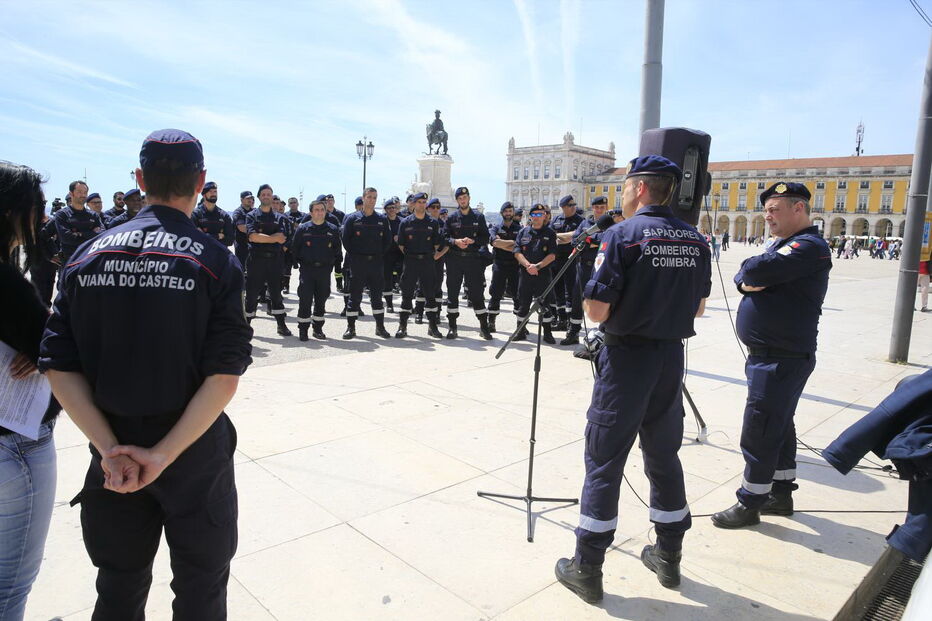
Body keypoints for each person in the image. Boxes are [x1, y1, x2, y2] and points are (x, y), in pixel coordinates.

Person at [38, 129, 252, 620]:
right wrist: (162, 455)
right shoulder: (216, 262)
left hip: (112, 455)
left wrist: (110, 449)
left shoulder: (85, 255)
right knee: (200, 592)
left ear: (139, 179)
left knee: (118, 588)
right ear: (201, 181)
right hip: (193, 454)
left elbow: (59, 366)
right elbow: (223, 378)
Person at [555, 155, 710, 602]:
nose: (621, 195)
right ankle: (668, 555)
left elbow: (596, 311)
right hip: (669, 361)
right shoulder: (696, 240)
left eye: (625, 187)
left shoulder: (621, 236)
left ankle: (587, 566)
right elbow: (698, 308)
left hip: (626, 363)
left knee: (604, 460)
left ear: (640, 188)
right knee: (664, 457)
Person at [711, 182, 832, 529]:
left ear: (799, 209)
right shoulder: (784, 246)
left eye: (775, 210)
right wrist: (747, 277)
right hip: (772, 354)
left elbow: (753, 271)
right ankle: (780, 492)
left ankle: (750, 502)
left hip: (781, 356)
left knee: (760, 429)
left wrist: (749, 276)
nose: (768, 216)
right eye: (766, 210)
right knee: (779, 424)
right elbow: (746, 272)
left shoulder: (808, 246)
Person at [0, 162, 60, 620]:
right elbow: (56, 343)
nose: (36, 223)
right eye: (32, 212)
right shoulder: (4, 281)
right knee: (10, 587)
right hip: (15, 445)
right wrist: (47, 350)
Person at [341, 187, 392, 339]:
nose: (372, 200)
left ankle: (380, 327)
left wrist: (377, 254)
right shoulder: (352, 219)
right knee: (355, 296)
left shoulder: (382, 220)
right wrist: (356, 255)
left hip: (375, 263)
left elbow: (387, 241)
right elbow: (345, 240)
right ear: (363, 198)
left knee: (377, 297)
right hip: (358, 263)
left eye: (374, 197)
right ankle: (351, 328)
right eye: (369, 197)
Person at [443, 187, 492, 339]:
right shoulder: (451, 218)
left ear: (469, 198)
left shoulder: (478, 217)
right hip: (455, 259)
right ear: (457, 200)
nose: (463, 200)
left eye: (465, 197)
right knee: (452, 293)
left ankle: (484, 327)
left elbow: (485, 238)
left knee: (477, 293)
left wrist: (473, 241)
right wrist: (456, 241)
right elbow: (444, 237)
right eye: (460, 198)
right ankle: (452, 327)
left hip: (473, 259)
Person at [245, 184, 293, 336]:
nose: (266, 196)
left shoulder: (280, 217)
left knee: (276, 294)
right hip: (256, 260)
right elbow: (252, 236)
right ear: (259, 197)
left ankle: (281, 325)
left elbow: (283, 238)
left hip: (275, 261)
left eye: (269, 194)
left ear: (272, 197)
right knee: (252, 294)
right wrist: (273, 238)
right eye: (263, 194)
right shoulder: (252, 216)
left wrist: (263, 238)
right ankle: (245, 327)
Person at [395, 192, 445, 338]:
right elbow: (401, 244)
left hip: (427, 262)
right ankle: (402, 326)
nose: (422, 204)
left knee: (430, 294)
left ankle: (432, 327)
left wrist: (425, 255)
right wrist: (412, 255)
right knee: (407, 294)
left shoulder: (433, 223)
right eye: (419, 202)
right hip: (411, 261)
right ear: (413, 203)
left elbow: (436, 244)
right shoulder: (405, 222)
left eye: (424, 202)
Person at [291, 198, 341, 340]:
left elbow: (337, 251)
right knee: (305, 300)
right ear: (311, 213)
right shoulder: (303, 229)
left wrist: (335, 266)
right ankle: (303, 329)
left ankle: (317, 328)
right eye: (316, 210)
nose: (319, 213)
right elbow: (295, 249)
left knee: (321, 300)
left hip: (324, 271)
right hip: (307, 270)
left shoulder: (332, 229)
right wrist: (299, 264)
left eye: (322, 210)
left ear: (326, 212)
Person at [512, 203, 557, 343]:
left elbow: (552, 255)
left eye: (540, 214)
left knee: (544, 305)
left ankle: (548, 333)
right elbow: (517, 252)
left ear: (545, 216)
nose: (537, 217)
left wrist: (537, 266)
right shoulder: (523, 232)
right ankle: (520, 331)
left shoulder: (550, 233)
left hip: (542, 274)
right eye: (535, 214)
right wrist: (528, 266)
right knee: (523, 304)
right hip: (525, 274)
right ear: (530, 216)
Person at [568, 196, 610, 345]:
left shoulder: (609, 225)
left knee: (602, 299)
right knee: (577, 299)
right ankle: (573, 331)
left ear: (606, 207)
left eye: (602, 207)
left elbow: (607, 244)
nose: (599, 210)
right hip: (584, 266)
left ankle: (602, 333)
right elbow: (575, 241)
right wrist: (593, 243)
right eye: (597, 207)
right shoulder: (585, 224)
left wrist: (590, 242)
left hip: (600, 268)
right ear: (592, 207)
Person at [47, 180, 105, 267]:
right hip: (70, 262)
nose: (83, 195)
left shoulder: (93, 215)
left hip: (89, 261)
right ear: (71, 194)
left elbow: (102, 235)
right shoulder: (62, 215)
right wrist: (91, 235)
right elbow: (66, 238)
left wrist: (79, 234)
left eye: (85, 192)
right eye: (79, 192)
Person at [550, 195, 585, 333]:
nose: (573, 206)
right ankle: (562, 320)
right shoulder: (556, 219)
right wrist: (566, 237)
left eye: (574, 204)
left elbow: (576, 236)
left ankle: (571, 322)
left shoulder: (580, 221)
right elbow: (551, 237)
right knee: (558, 291)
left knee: (570, 292)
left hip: (572, 259)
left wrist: (561, 237)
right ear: (563, 207)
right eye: (570, 205)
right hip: (557, 259)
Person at [487, 201, 521, 333]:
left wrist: (502, 243)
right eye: (506, 211)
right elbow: (494, 243)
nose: (508, 213)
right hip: (499, 265)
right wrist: (512, 243)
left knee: (517, 295)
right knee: (495, 293)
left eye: (510, 211)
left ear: (513, 213)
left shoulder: (519, 229)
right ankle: (491, 322)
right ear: (502, 213)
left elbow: (520, 246)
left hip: (514, 266)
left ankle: (520, 324)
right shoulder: (495, 228)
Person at [191, 182, 235, 249]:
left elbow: (230, 241)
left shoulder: (224, 216)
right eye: (210, 191)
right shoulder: (195, 214)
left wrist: (206, 235)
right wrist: (218, 236)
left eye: (215, 191)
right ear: (204, 194)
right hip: (201, 255)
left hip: (220, 255)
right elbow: (196, 238)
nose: (213, 194)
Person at [382, 196, 404, 313]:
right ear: (385, 210)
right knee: (387, 279)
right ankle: (389, 304)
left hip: (400, 254)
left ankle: (406, 303)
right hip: (386, 254)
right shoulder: (382, 221)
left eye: (393, 207)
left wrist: (399, 239)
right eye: (389, 208)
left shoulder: (402, 221)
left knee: (404, 278)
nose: (391, 210)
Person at [231, 190, 255, 268]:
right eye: (247, 198)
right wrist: (257, 233)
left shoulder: (255, 212)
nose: (250, 200)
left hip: (254, 246)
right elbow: (241, 228)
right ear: (241, 200)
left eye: (251, 198)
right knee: (242, 271)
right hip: (242, 247)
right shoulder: (238, 212)